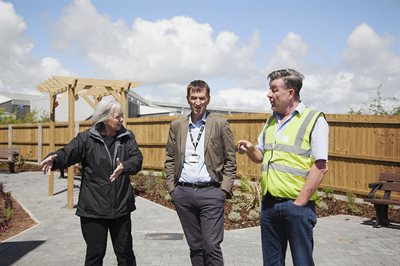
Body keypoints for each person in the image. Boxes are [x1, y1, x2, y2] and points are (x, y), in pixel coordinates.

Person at [237, 69, 329, 266]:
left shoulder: (314, 119)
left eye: (274, 89)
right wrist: (251, 149)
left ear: (290, 93)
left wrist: (299, 204)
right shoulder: (271, 121)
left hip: (297, 207)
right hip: (269, 206)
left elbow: (320, 166)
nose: (269, 94)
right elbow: (260, 156)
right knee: (271, 263)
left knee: (302, 262)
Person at [41, 100, 142, 266]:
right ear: (105, 117)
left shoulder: (127, 137)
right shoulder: (86, 139)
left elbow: (137, 159)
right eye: (118, 116)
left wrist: (125, 166)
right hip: (93, 210)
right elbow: (68, 153)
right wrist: (55, 158)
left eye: (122, 116)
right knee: (95, 255)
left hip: (121, 208)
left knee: (125, 254)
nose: (122, 119)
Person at [164, 80, 236, 266]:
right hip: (183, 194)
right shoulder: (177, 126)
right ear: (188, 99)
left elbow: (230, 159)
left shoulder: (220, 124)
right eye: (193, 98)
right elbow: (170, 159)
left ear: (208, 99)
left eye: (201, 98)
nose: (197, 102)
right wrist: (173, 189)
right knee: (195, 246)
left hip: (211, 192)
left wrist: (223, 191)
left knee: (211, 245)